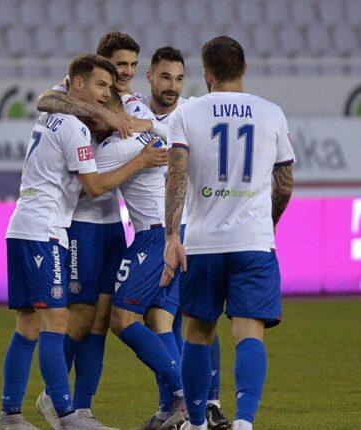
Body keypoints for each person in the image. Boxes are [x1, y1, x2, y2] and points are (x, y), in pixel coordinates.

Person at [0, 53, 167, 430]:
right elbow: (94, 186)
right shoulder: (74, 127)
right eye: (100, 85)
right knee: (56, 321)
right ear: (77, 84)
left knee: (28, 325)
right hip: (45, 231)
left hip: (24, 225)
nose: (106, 93)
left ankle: (10, 415)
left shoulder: (51, 116)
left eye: (109, 87)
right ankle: (66, 413)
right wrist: (139, 162)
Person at [161, 36, 295, 430]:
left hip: (203, 242)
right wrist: (268, 223)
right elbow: (285, 184)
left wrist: (172, 236)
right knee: (249, 332)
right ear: (244, 68)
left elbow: (176, 175)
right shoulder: (271, 113)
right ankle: (244, 422)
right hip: (253, 242)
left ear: (206, 73)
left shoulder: (187, 114)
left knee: (197, 332)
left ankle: (197, 424)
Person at [124, 47, 230, 430]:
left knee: (191, 316)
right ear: (149, 77)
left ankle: (204, 404)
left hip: (187, 229)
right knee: (163, 319)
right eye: (165, 77)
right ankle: (178, 406)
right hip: (157, 232)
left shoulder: (191, 112)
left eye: (180, 78)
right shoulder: (132, 109)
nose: (172, 86)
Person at [91, 95, 186, 430]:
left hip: (154, 237)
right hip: (175, 231)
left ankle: (184, 396)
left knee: (122, 318)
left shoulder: (113, 148)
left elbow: (87, 185)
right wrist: (150, 125)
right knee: (159, 320)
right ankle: (169, 408)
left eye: (98, 115)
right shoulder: (150, 134)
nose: (94, 122)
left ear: (116, 115)